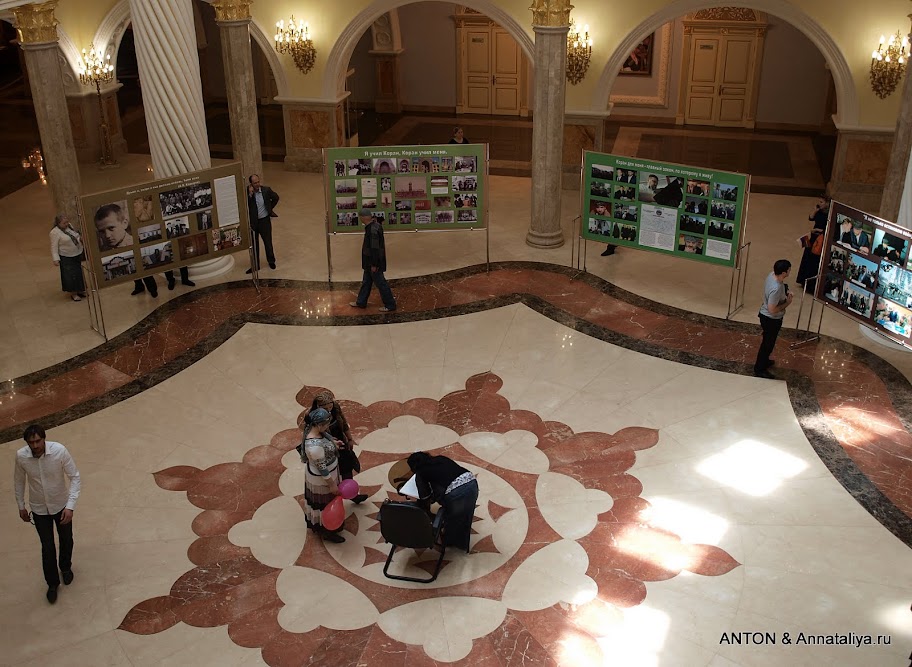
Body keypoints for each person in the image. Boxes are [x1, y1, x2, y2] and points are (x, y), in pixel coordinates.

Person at [14, 424, 81, 604]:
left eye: (38, 441)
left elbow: (74, 477)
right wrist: (21, 506)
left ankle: (65, 567)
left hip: (61, 506)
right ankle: (52, 583)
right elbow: (19, 481)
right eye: (31, 442)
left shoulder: (59, 451)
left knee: (66, 539)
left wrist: (70, 506)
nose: (35, 446)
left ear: (44, 439)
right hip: (39, 509)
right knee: (47, 547)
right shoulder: (21, 457)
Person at [406, 451, 479, 553]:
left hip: (457, 494)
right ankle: (462, 543)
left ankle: (450, 542)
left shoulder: (421, 472)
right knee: (466, 513)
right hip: (472, 483)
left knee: (452, 518)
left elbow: (424, 496)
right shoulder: (441, 458)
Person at [309, 391, 368, 503]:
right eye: (325, 408)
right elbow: (315, 436)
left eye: (330, 406)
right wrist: (330, 444)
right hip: (326, 449)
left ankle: (351, 493)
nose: (328, 410)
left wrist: (349, 439)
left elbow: (343, 423)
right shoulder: (313, 417)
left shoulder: (335, 407)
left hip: (341, 443)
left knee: (347, 467)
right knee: (331, 474)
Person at [300, 408, 345, 543]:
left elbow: (324, 441)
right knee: (325, 503)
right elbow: (322, 469)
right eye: (326, 424)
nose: (328, 426)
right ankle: (327, 530)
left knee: (330, 501)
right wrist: (332, 485)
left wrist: (333, 444)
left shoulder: (316, 432)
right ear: (319, 425)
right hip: (323, 480)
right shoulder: (314, 448)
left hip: (330, 472)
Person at [350, 208, 397, 311]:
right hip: (369, 262)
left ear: (363, 217)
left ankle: (390, 305)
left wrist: (374, 264)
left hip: (373, 263)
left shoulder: (372, 230)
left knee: (381, 283)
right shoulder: (374, 226)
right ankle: (361, 302)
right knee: (366, 282)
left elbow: (374, 248)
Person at [754, 259, 793, 379]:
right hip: (771, 319)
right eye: (789, 270)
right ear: (783, 273)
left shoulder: (772, 275)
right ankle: (759, 369)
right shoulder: (776, 288)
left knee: (768, 342)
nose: (790, 271)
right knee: (767, 344)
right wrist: (787, 303)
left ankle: (764, 361)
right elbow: (772, 309)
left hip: (766, 315)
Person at [246, 174, 280, 273]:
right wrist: (250, 194)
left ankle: (271, 261)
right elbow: (244, 204)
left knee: (268, 242)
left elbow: (276, 197)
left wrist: (269, 208)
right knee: (254, 244)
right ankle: (255, 265)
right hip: (254, 222)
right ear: (251, 184)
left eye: (258, 182)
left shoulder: (266, 190)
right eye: (255, 183)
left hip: (264, 221)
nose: (257, 184)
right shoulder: (248, 193)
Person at [49, 214, 86, 302]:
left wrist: (80, 239)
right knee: (70, 275)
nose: (66, 224)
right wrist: (55, 259)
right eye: (64, 223)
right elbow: (54, 246)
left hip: (76, 253)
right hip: (66, 256)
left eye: (67, 222)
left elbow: (75, 236)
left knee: (78, 273)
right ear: (58, 223)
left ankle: (80, 290)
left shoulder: (69, 226)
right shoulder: (54, 232)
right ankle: (74, 293)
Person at [796, 196, 830, 289]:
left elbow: (828, 229)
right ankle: (802, 280)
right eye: (819, 201)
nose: (819, 203)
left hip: (820, 238)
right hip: (812, 236)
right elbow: (811, 218)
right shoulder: (819, 211)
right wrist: (815, 210)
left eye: (822, 202)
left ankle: (811, 284)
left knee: (814, 260)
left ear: (827, 203)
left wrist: (818, 230)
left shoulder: (829, 215)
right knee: (807, 257)